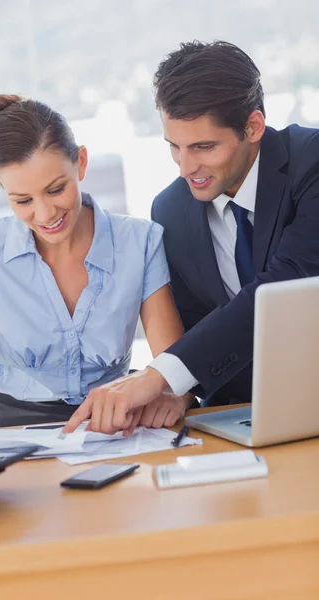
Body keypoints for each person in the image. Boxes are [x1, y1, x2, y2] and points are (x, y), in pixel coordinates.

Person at [63, 40, 319, 435]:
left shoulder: (311, 163)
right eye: (174, 148)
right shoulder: (171, 211)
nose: (186, 168)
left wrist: (158, 375)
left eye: (204, 147)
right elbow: (200, 322)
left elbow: (288, 279)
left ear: (253, 127)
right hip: (245, 417)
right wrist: (179, 394)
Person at [0, 94, 194, 450]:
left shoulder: (139, 242)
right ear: (1, 187)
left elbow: (173, 368)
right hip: (8, 433)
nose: (46, 213)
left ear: (80, 163)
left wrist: (174, 399)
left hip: (112, 427)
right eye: (23, 200)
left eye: (56, 189)